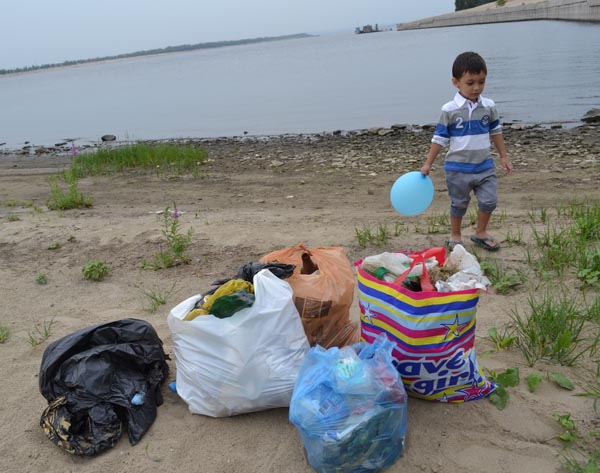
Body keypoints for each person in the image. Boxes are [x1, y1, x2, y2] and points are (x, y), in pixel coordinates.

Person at [421, 51, 512, 252]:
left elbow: (495, 131)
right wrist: (428, 164)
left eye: (481, 82)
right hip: (457, 169)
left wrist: (503, 156)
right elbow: (439, 138)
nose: (476, 88)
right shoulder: (449, 109)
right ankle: (455, 235)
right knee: (459, 204)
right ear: (456, 82)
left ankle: (480, 232)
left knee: (489, 201)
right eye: (470, 83)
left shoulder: (489, 106)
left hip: (484, 166)